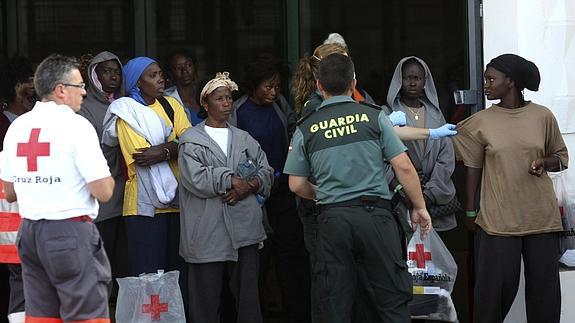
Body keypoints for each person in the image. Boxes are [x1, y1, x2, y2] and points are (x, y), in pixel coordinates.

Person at [284, 53, 432, 323]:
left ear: (318, 86)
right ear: (354, 82)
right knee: (390, 300)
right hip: (376, 218)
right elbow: (404, 167)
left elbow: (296, 184)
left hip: (333, 221)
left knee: (334, 303)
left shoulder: (306, 127)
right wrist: (420, 207)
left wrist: (324, 194)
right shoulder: (373, 117)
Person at [453, 53, 568, 323]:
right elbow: (473, 169)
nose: (486, 85)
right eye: (486, 79)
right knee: (492, 296)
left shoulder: (543, 116)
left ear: (511, 82)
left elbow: (561, 158)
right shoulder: (480, 122)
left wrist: (544, 161)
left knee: (545, 297)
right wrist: (470, 212)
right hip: (497, 221)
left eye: (491, 79)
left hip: (541, 219)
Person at [0, 54, 114, 322]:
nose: (85, 92)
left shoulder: (18, 127)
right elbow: (103, 191)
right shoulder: (76, 125)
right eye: (79, 85)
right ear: (61, 89)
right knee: (86, 316)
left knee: (41, 317)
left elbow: (10, 192)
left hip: (29, 235)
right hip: (69, 232)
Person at [178, 71, 273, 323]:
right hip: (207, 231)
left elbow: (266, 171)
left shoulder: (245, 138)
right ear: (205, 104)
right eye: (219, 98)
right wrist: (230, 179)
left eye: (229, 98)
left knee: (248, 299)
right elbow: (194, 178)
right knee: (205, 301)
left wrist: (249, 185)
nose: (227, 103)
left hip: (245, 230)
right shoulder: (191, 140)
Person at [102, 56, 191, 305]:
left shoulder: (172, 105)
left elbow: (191, 143)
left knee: (177, 276)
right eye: (152, 75)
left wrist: (162, 150)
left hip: (178, 203)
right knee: (148, 279)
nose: (160, 78)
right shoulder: (125, 111)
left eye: (160, 73)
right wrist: (174, 146)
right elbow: (141, 156)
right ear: (137, 83)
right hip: (143, 208)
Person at [230, 54, 310, 323]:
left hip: (284, 191)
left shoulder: (280, 105)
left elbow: (294, 134)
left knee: (291, 257)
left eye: (277, 86)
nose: (274, 92)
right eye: (268, 86)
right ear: (253, 85)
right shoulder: (238, 111)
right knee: (257, 262)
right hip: (253, 197)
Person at [78, 51, 128, 306]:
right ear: (94, 75)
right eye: (107, 71)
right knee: (102, 261)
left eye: (117, 71)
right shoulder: (84, 109)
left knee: (123, 261)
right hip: (103, 201)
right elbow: (89, 155)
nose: (113, 76)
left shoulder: (126, 103)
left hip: (128, 198)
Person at [386, 56, 458, 232]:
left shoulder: (436, 114)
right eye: (407, 78)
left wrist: (428, 194)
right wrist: (402, 189)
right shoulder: (386, 114)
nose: (412, 83)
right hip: (400, 200)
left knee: (435, 256)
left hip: (435, 199)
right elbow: (379, 159)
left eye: (417, 78)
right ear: (399, 81)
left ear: (425, 81)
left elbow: (446, 158)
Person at [0, 56, 35, 323]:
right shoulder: (5, 124)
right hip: (11, 220)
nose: (32, 86)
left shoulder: (36, 124)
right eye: (26, 80)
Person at [164, 51, 203, 125]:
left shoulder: (205, 94)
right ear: (171, 72)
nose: (184, 71)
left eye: (188, 65)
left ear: (195, 67)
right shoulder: (168, 100)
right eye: (178, 67)